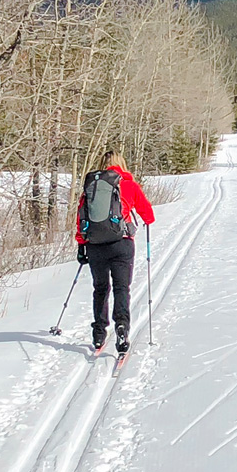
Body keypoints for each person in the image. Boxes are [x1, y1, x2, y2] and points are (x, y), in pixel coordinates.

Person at [75, 150, 155, 353]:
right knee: (121, 288)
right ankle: (122, 326)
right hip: (122, 244)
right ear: (122, 164)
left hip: (95, 246)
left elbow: (81, 217)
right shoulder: (128, 184)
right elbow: (149, 215)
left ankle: (99, 333)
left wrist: (81, 244)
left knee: (100, 288)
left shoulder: (92, 187)